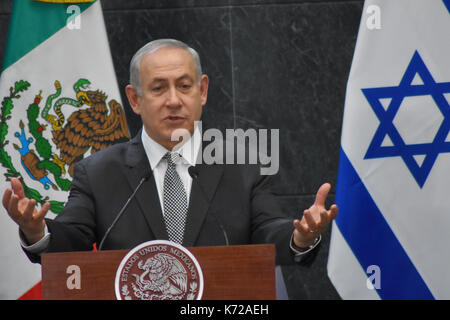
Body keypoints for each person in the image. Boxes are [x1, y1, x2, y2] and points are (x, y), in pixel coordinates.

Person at [2, 39, 338, 265]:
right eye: (159, 88)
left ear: (202, 91)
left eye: (185, 85)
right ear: (135, 99)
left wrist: (300, 235)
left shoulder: (241, 163)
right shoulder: (99, 171)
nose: (174, 100)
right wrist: (36, 231)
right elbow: (70, 241)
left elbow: (269, 231)